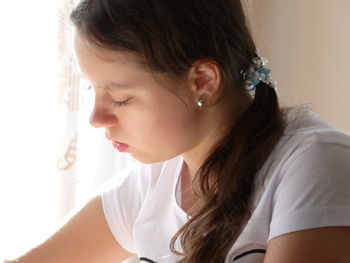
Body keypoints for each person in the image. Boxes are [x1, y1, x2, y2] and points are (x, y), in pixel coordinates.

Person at [4, 0, 350, 262]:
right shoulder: (155, 179)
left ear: (203, 81)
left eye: (121, 98)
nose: (96, 118)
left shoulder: (315, 162)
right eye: (92, 90)